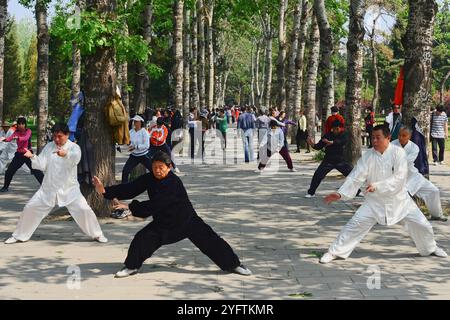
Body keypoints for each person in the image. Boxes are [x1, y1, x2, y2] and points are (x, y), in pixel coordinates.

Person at [92, 151, 252, 278]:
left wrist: (130, 207)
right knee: (142, 239)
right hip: (163, 224)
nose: (158, 170)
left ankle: (234, 265)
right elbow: (130, 188)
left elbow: (156, 204)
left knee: (212, 241)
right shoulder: (150, 178)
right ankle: (131, 266)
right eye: (155, 167)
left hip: (186, 221)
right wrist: (105, 191)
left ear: (169, 167)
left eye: (161, 167)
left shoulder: (173, 182)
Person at [319, 124, 447, 264]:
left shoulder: (398, 153)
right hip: (374, 201)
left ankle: (431, 248)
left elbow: (399, 177)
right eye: (372, 138)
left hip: (400, 200)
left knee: (423, 225)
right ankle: (334, 252)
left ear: (388, 138)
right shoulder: (368, 155)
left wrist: (377, 186)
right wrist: (340, 194)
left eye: (378, 138)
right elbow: (356, 176)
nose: (374, 141)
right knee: (354, 225)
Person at [4, 123, 107, 244]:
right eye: (54, 136)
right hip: (49, 188)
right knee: (30, 207)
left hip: (69, 189)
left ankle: (97, 234)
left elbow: (76, 158)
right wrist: (32, 157)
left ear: (67, 135)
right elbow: (42, 164)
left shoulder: (74, 147)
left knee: (84, 210)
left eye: (60, 136)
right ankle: (19, 235)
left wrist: (66, 154)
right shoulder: (49, 146)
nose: (56, 139)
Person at [392, 127, 447, 222]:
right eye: (399, 135)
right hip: (395, 176)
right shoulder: (392, 145)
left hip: (412, 176)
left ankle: (436, 214)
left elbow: (407, 161)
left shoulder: (414, 147)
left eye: (404, 135)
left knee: (433, 191)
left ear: (409, 136)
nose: (401, 137)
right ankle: (385, 216)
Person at [305, 120, 354, 198]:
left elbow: (342, 141)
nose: (336, 130)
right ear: (332, 128)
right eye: (334, 128)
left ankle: (358, 191)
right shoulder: (327, 135)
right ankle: (311, 192)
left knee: (353, 175)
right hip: (328, 160)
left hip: (340, 160)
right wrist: (311, 144)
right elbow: (318, 146)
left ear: (340, 128)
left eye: (338, 128)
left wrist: (332, 142)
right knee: (317, 175)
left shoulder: (344, 134)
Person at [0, 116, 44, 192]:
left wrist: (18, 138)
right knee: (9, 171)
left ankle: (46, 187)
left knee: (36, 171)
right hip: (19, 155)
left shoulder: (28, 131)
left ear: (25, 125)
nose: (21, 125)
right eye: (19, 124)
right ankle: (5, 187)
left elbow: (26, 138)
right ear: (17, 125)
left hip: (28, 154)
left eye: (22, 124)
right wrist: (4, 139)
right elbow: (10, 138)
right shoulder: (16, 132)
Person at [121, 115, 152, 184]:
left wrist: (136, 147)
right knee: (125, 171)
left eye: (136, 121)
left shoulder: (144, 132)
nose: (135, 123)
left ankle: (159, 185)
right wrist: (123, 147)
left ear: (141, 122)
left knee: (153, 171)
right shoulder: (131, 131)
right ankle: (123, 188)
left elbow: (147, 145)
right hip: (134, 156)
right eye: (134, 121)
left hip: (144, 155)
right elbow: (128, 143)